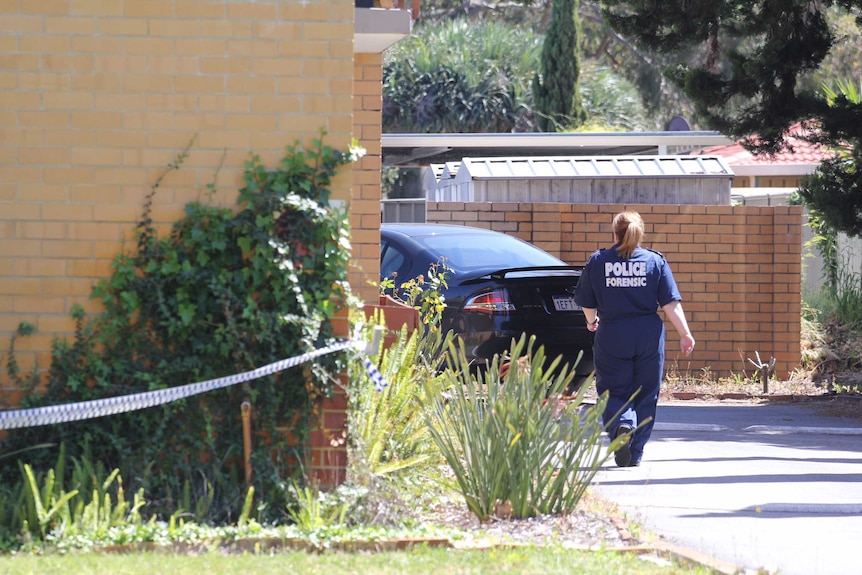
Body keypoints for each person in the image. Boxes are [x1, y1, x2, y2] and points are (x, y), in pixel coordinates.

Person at [574, 211, 695, 467]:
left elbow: (587, 302)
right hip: (648, 333)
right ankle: (635, 451)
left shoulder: (598, 261)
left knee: (613, 390)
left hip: (613, 333)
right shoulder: (655, 261)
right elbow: (670, 303)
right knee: (646, 393)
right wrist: (685, 334)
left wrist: (591, 322)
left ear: (614, 232)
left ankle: (622, 424)